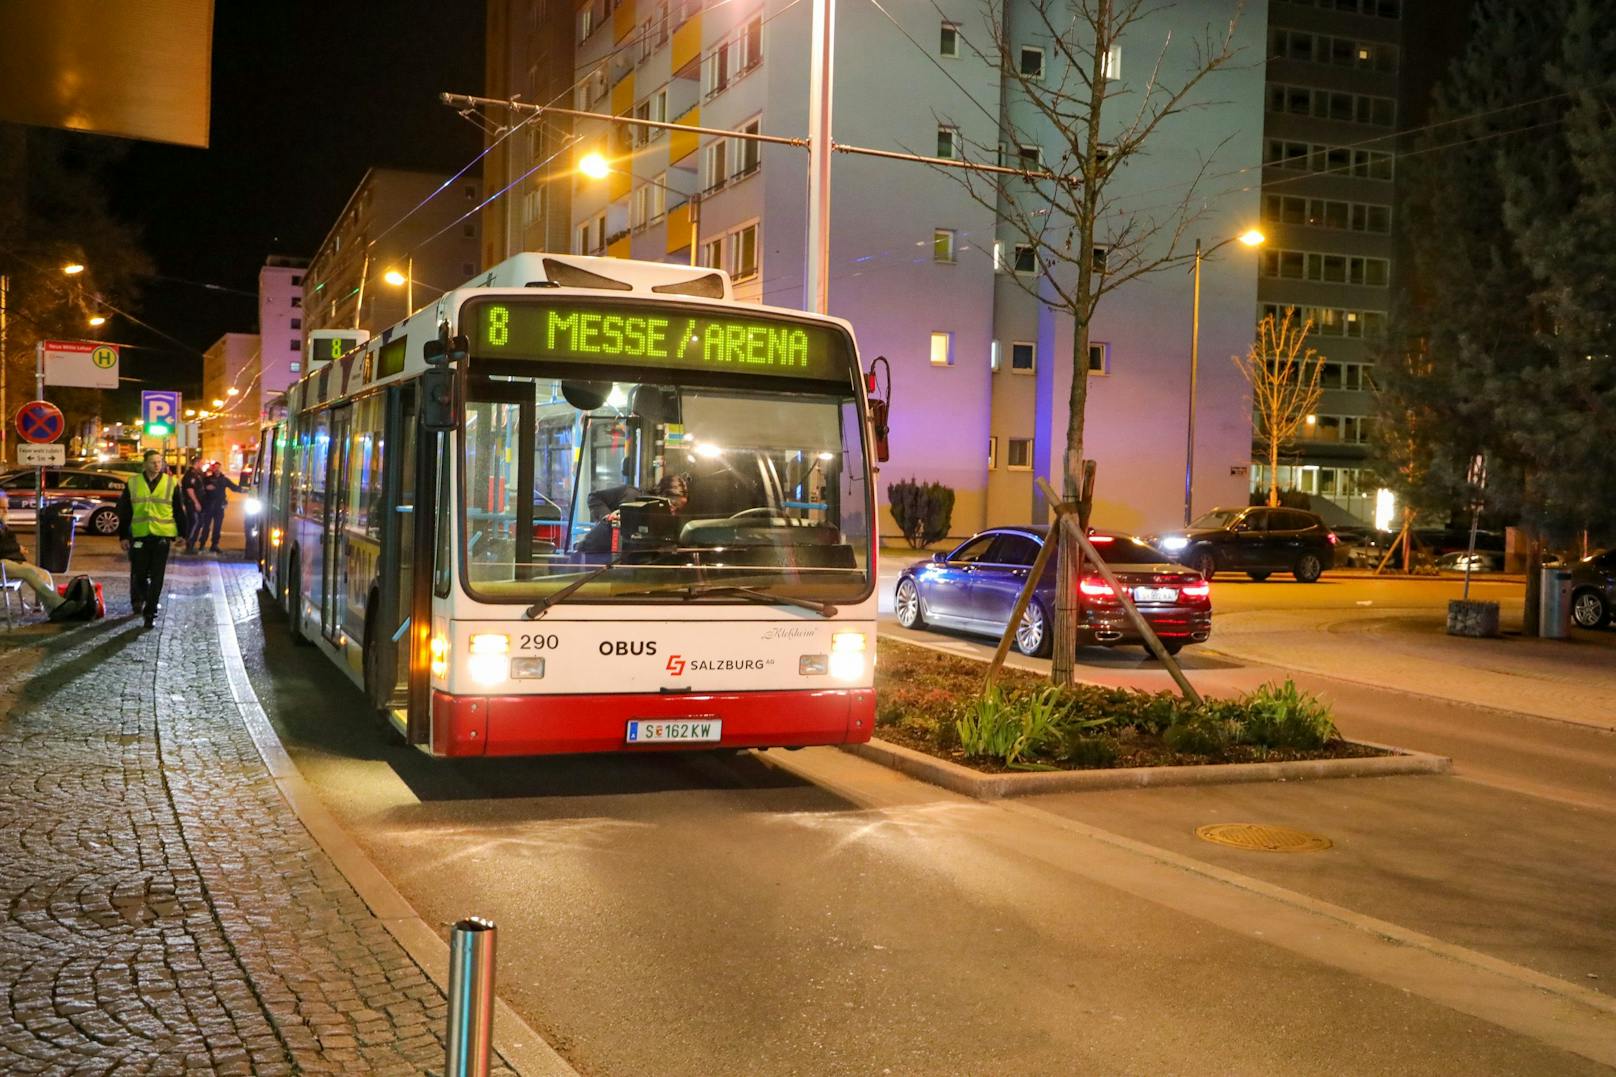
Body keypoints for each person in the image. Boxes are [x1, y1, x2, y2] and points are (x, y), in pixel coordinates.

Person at [116, 450, 190, 627]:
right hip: (139, 535)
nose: (157, 465)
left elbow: (179, 510)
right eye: (153, 462)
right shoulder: (133, 483)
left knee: (157, 576)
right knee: (138, 575)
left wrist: (182, 534)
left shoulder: (171, 483)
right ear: (144, 464)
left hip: (161, 536)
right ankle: (147, 597)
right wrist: (123, 536)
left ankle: (150, 613)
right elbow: (125, 511)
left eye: (159, 462)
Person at [0, 488, 67, 618]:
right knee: (28, 573)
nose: (6, 511)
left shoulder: (2, 524)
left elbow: (7, 543)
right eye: (2, 508)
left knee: (44, 574)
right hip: (2, 562)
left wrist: (15, 546)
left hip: (9, 560)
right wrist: (17, 548)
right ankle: (58, 604)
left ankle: (53, 610)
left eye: (7, 507)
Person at [196, 461, 242, 554]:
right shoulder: (207, 479)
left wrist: (246, 490)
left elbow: (234, 488)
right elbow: (199, 488)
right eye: (215, 467)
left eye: (218, 467)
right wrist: (205, 487)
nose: (217, 469)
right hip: (209, 505)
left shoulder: (224, 480)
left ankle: (214, 545)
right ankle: (202, 544)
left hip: (219, 507)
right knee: (206, 526)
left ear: (221, 469)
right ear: (213, 469)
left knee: (217, 527)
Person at [180, 459, 206, 553]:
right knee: (194, 522)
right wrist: (196, 502)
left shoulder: (197, 473)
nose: (202, 465)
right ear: (197, 463)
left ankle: (191, 545)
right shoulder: (190, 474)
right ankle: (189, 545)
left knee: (197, 522)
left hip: (196, 503)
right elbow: (189, 490)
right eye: (201, 463)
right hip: (191, 503)